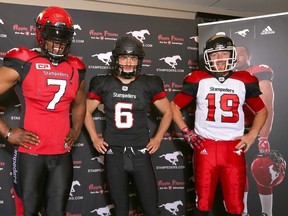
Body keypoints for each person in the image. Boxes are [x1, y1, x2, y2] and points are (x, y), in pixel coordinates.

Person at [0, 6, 86, 215]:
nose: (57, 45)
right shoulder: (24, 61)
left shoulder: (76, 67)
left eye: (62, 38)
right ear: (40, 35)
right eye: (52, 38)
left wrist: (76, 129)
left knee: (57, 212)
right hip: (30, 154)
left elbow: (80, 103)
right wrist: (8, 132)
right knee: (29, 212)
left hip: (61, 154)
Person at [170, 34, 268, 216]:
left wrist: (252, 135)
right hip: (205, 145)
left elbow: (262, 111)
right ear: (208, 57)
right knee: (203, 204)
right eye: (215, 55)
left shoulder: (244, 79)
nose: (220, 59)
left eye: (223, 53)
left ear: (232, 55)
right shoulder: (198, 79)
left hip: (233, 147)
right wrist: (187, 132)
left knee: (236, 206)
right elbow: (174, 106)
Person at [84, 35, 172, 216]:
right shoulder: (103, 83)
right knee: (121, 209)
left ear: (139, 60)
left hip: (140, 152)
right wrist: (94, 137)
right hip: (114, 153)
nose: (128, 63)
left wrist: (157, 138)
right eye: (124, 58)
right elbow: (85, 112)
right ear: (116, 59)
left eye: (133, 58)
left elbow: (168, 112)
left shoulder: (149, 83)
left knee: (151, 209)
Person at [235, 45, 274, 216]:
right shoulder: (226, 76)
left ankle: (267, 212)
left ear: (249, 55)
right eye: (234, 55)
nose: (236, 58)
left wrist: (263, 137)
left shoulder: (258, 71)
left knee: (263, 170)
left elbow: (268, 107)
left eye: (241, 54)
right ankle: (243, 211)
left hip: (255, 129)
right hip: (235, 131)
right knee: (239, 172)